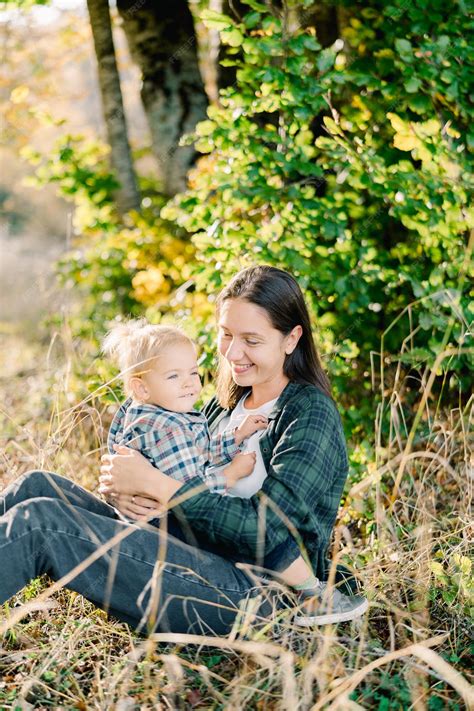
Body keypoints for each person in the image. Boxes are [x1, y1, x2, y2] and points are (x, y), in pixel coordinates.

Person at [0, 265, 367, 634]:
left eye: (251, 341)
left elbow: (269, 532)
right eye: (226, 335)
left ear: (291, 339)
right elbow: (168, 470)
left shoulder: (308, 414)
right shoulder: (221, 407)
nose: (233, 352)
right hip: (181, 545)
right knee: (37, 486)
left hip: (253, 591)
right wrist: (123, 491)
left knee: (40, 522)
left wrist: (158, 485)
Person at [102, 319, 268, 516]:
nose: (188, 383)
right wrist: (230, 475)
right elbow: (188, 495)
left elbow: (197, 452)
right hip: (163, 530)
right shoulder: (166, 429)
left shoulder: (157, 415)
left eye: (193, 372)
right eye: (173, 376)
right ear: (142, 388)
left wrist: (237, 436)